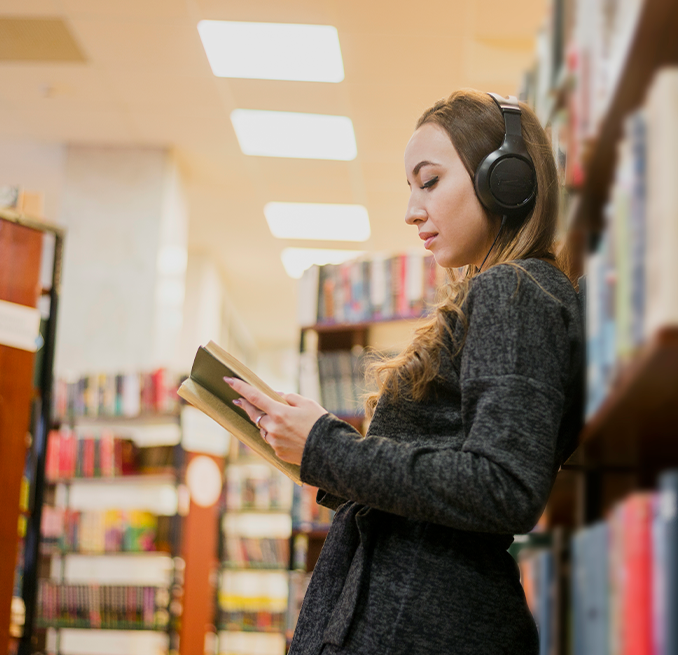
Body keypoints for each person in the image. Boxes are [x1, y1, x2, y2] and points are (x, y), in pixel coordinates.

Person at [226, 88, 584, 655]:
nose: (413, 210)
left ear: (506, 180)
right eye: (410, 188)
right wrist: (310, 450)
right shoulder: (504, 292)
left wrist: (329, 448)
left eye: (431, 181)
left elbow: (505, 486)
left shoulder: (514, 289)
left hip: (427, 621)